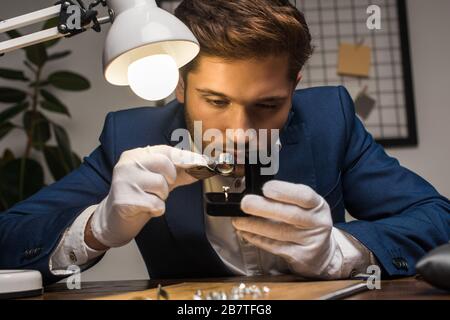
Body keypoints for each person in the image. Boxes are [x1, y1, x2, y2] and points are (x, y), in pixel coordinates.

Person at [0, 0, 448, 286]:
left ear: (295, 85)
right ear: (179, 85)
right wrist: (97, 226)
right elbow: (7, 237)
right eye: (215, 100)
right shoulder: (131, 137)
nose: (239, 133)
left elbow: (437, 220)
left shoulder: (331, 119)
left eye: (269, 105)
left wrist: (339, 251)